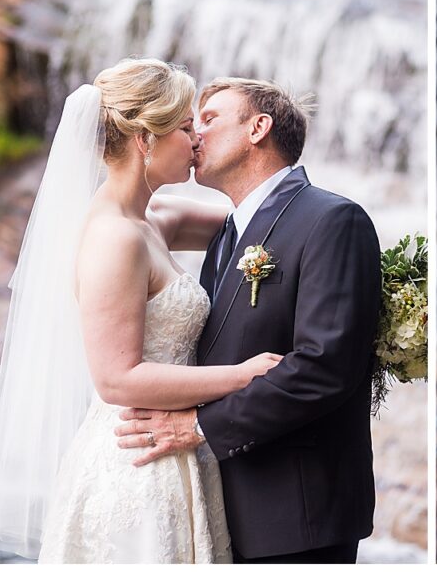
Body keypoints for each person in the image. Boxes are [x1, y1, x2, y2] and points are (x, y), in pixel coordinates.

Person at [0, 58, 278, 562]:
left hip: (177, 452)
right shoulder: (114, 238)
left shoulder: (155, 218)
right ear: (145, 140)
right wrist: (243, 377)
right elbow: (117, 379)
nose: (197, 141)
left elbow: (262, 221)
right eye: (185, 128)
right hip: (135, 467)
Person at [112, 77, 382, 563]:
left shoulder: (333, 220)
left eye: (210, 119)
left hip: (297, 513)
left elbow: (324, 366)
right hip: (223, 506)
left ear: (258, 128)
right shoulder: (229, 230)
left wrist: (197, 427)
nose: (195, 134)